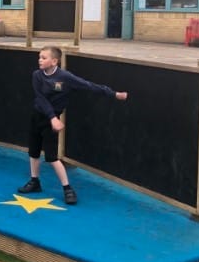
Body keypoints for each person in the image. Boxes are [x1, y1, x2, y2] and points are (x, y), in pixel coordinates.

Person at [19, 45, 128, 205]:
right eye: (39, 57)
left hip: (51, 121)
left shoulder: (65, 77)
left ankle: (67, 188)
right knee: (33, 152)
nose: (40, 60)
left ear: (54, 61)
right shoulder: (37, 75)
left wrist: (114, 94)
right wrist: (52, 118)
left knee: (52, 157)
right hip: (38, 117)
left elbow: (89, 86)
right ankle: (34, 181)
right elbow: (40, 98)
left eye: (44, 57)